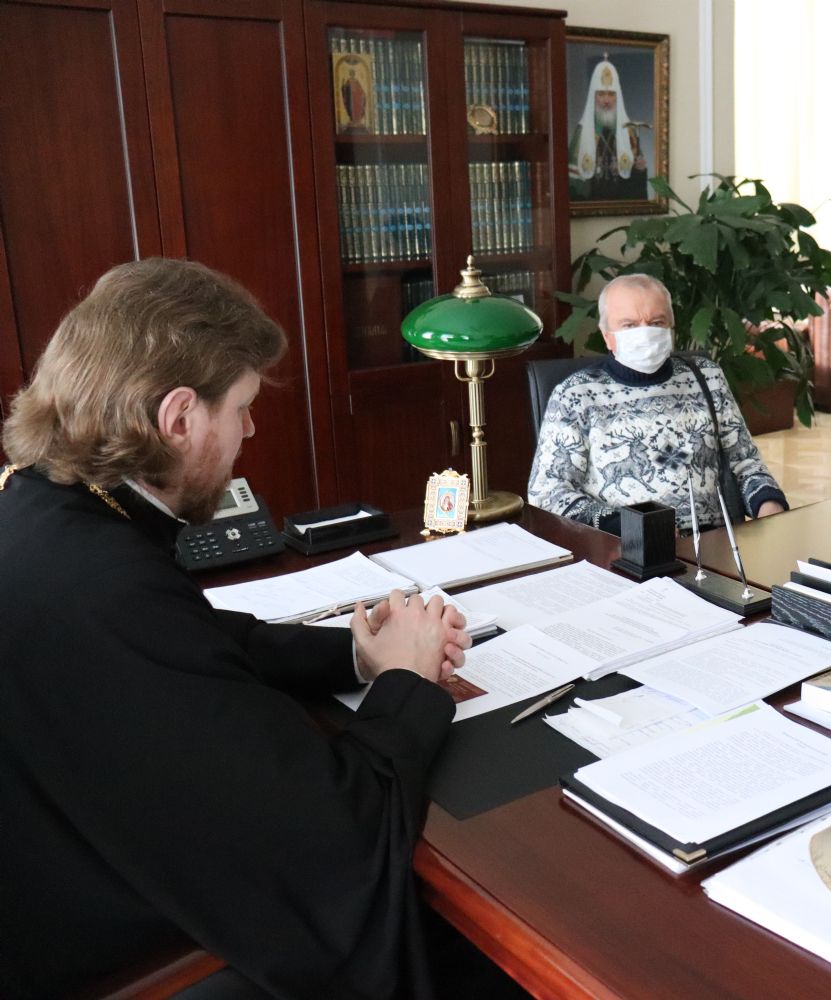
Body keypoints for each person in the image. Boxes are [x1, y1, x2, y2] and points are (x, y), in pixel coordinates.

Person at [0, 259, 474, 998]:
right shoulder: (107, 583)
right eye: (244, 407)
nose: (251, 429)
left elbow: (195, 637)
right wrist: (408, 683)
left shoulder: (45, 504)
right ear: (178, 418)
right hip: (108, 942)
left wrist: (355, 654)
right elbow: (331, 832)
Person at [528, 273, 788, 533]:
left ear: (670, 327)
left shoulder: (707, 376)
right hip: (626, 545)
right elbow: (548, 492)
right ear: (607, 336)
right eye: (629, 325)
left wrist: (769, 505)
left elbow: (746, 461)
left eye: (656, 322)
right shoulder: (575, 395)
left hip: (713, 542)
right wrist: (632, 527)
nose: (645, 332)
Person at [567, 56, 648, 202]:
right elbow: (572, 184)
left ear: (617, 97)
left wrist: (640, 170)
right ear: (594, 97)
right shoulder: (582, 132)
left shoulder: (629, 131)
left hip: (620, 205)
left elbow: (637, 185)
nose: (606, 101)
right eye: (601, 94)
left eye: (611, 94)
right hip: (590, 205)